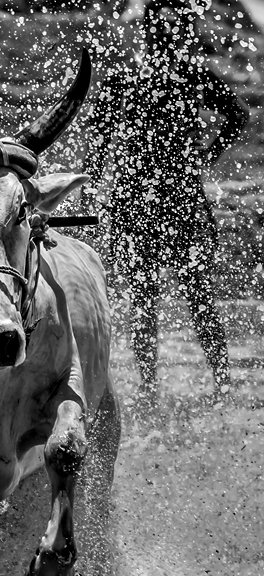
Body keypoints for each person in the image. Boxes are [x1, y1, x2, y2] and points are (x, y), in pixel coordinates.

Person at [83, 0, 247, 409]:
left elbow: (100, 144)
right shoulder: (188, 73)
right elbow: (237, 116)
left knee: (152, 298)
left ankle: (158, 389)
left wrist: (90, 187)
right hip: (173, 195)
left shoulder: (131, 77)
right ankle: (216, 386)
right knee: (190, 294)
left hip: (141, 197)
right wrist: (203, 157)